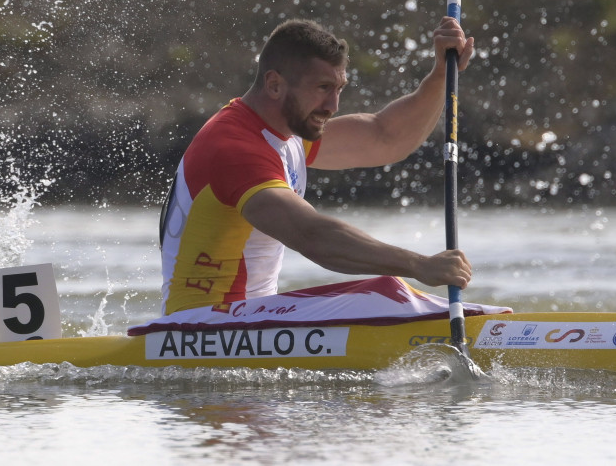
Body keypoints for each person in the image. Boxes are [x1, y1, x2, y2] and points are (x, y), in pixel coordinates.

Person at [158, 16, 475, 315]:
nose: (333, 106)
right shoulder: (234, 149)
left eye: (339, 89)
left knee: (386, 294)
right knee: (384, 293)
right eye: (323, 88)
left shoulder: (286, 129)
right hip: (199, 329)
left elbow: (385, 137)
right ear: (274, 85)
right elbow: (311, 236)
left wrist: (440, 77)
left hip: (244, 322)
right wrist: (418, 264)